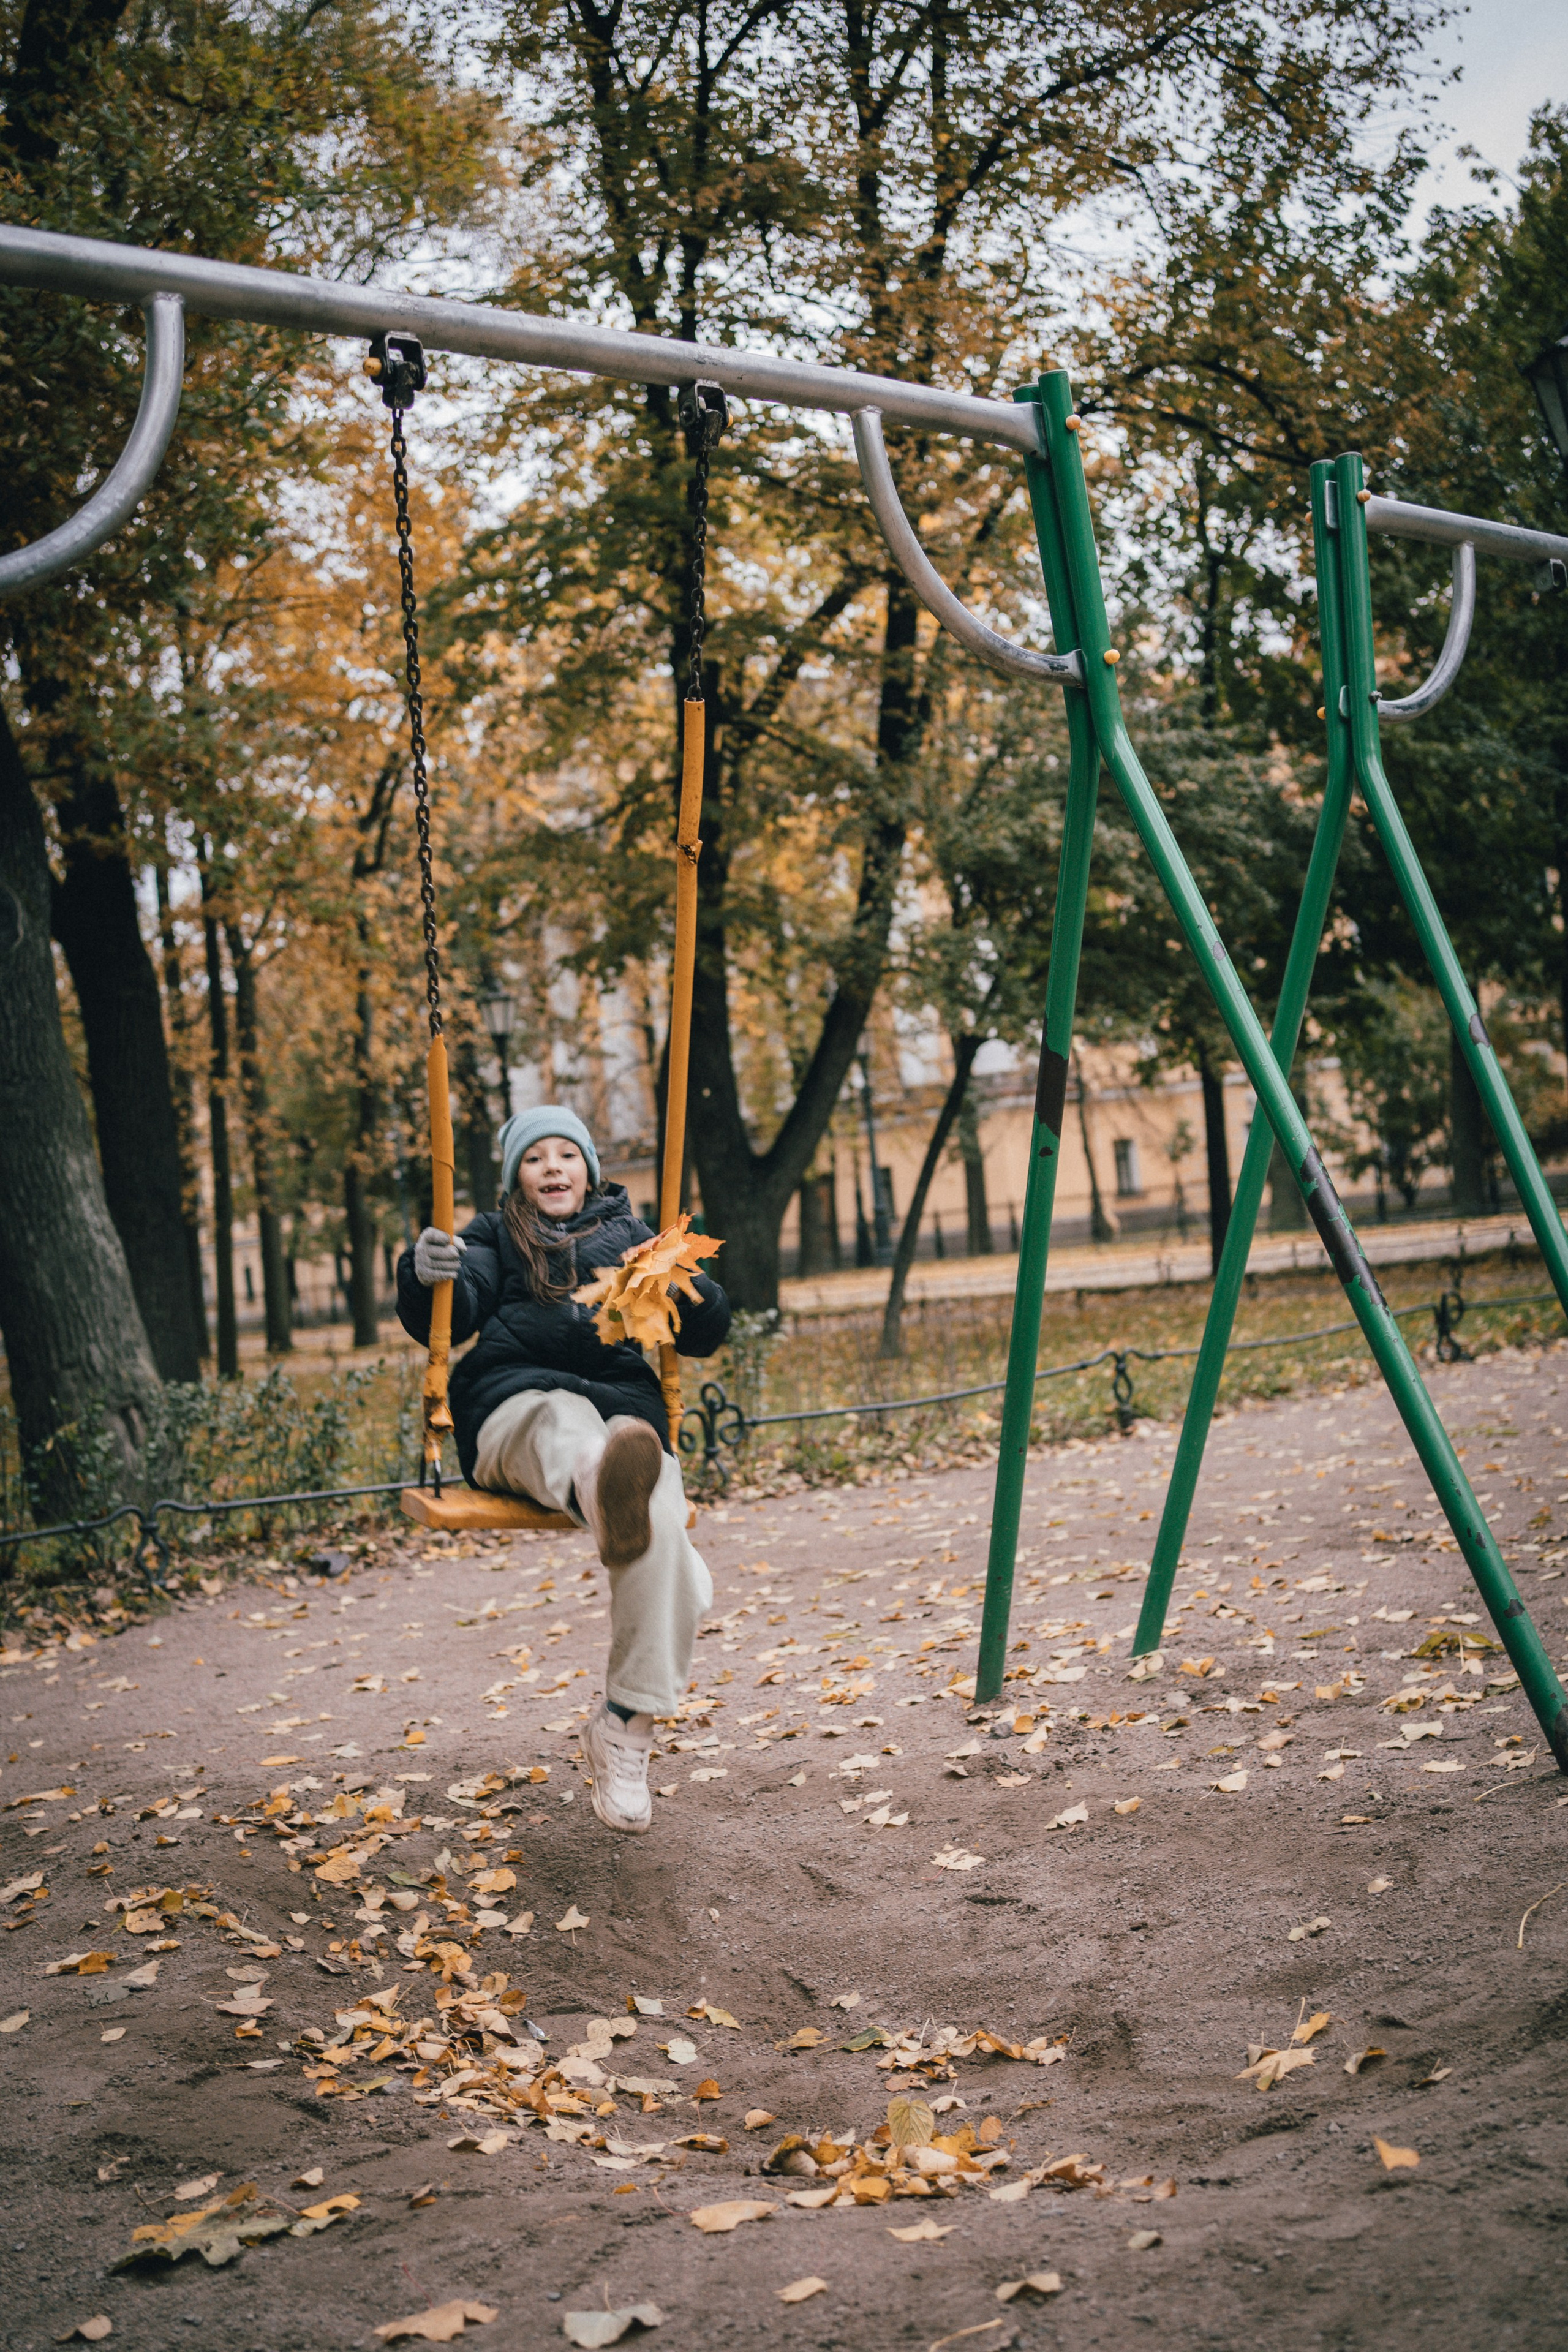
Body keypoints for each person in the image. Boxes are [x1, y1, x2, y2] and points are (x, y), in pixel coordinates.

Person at [397, 1106, 730, 1835]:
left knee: (652, 1497)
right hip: (514, 1406)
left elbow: (704, 1333)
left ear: (588, 1170)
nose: (552, 1166)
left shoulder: (638, 1241)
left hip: (623, 1413)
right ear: (516, 1177)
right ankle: (601, 1480)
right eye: (534, 1157)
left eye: (566, 1154)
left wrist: (685, 1281)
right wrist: (424, 1274)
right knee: (564, 1421)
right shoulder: (492, 1238)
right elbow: (451, 1310)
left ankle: (624, 1725)